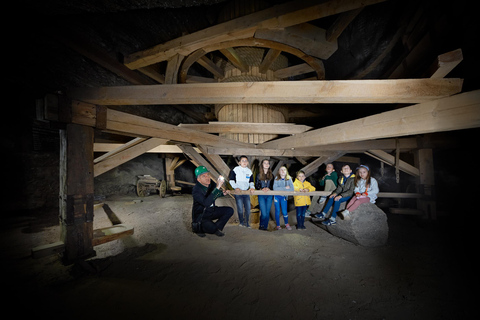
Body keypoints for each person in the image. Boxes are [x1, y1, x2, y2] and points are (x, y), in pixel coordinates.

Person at [192, 166, 233, 237]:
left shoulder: (211, 185)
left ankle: (215, 228)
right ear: (199, 179)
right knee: (212, 228)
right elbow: (206, 203)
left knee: (229, 210)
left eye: (208, 175)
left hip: (211, 211)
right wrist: (217, 187)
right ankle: (201, 228)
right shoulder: (196, 190)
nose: (207, 177)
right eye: (204, 176)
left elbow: (213, 195)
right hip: (202, 215)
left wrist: (222, 193)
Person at [229, 155, 255, 228]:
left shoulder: (249, 171)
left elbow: (251, 182)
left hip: (246, 192)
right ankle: (241, 223)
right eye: (242, 161)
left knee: (248, 208)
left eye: (246, 161)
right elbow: (231, 180)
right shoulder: (235, 170)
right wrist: (235, 187)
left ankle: (247, 223)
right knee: (240, 208)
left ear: (247, 163)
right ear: (239, 162)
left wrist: (252, 188)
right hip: (238, 192)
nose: (244, 162)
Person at [273, 166, 294, 230]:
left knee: (284, 211)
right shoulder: (276, 178)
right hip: (277, 196)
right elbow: (275, 189)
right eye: (281, 169)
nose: (283, 171)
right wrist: (285, 188)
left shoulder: (289, 178)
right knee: (277, 211)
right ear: (279, 172)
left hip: (284, 197)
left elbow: (292, 189)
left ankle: (286, 223)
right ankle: (278, 225)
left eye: (284, 169)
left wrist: (282, 190)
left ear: (286, 171)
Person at [255, 159, 274, 231]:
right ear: (262, 165)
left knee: (267, 212)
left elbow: (272, 186)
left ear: (269, 165)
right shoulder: (258, 175)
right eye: (265, 163)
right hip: (261, 195)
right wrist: (261, 188)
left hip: (269, 195)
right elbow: (256, 185)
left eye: (268, 163)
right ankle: (261, 225)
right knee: (264, 213)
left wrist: (269, 189)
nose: (266, 164)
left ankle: (264, 227)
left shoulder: (271, 175)